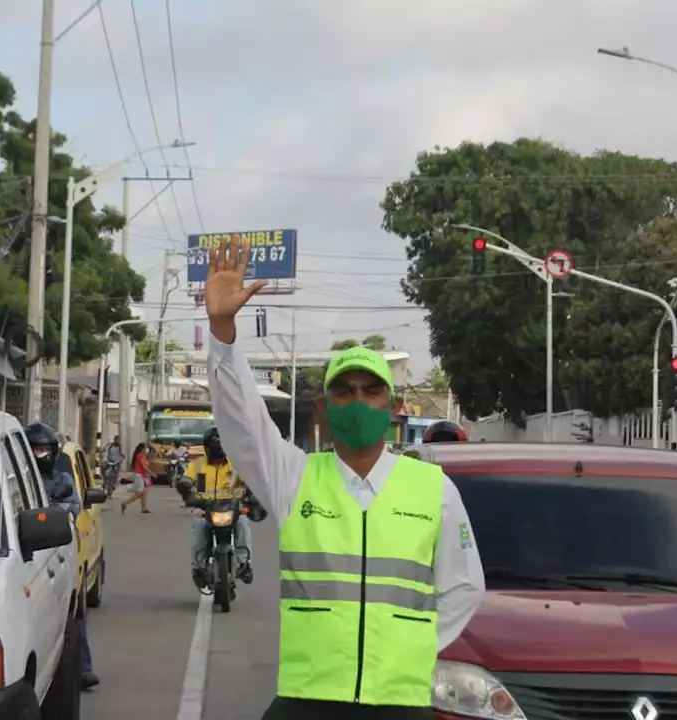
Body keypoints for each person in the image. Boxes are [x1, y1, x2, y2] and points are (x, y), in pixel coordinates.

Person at [204, 239, 485, 719]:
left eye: (372, 391)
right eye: (345, 391)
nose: (359, 402)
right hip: (307, 700)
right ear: (324, 409)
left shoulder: (433, 489)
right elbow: (242, 425)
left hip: (399, 703)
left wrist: (407, 651)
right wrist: (223, 331)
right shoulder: (294, 476)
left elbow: (464, 588)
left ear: (393, 408)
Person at [23, 423, 100, 692]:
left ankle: (83, 668)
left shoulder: (63, 481)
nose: (39, 454)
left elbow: (72, 509)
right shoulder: (19, 479)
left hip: (59, 554)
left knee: (74, 615)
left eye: (44, 449)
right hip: (26, 556)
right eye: (34, 449)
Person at [182, 427, 253, 589]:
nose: (217, 452)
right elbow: (186, 479)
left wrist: (253, 495)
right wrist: (185, 488)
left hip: (232, 509)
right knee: (198, 526)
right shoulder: (197, 465)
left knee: (243, 523)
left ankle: (244, 563)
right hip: (204, 509)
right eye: (214, 448)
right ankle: (198, 567)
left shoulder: (236, 465)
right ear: (207, 448)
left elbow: (250, 481)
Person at [120, 442, 152, 514]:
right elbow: (144, 467)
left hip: (143, 476)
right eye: (145, 448)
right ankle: (125, 503)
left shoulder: (144, 456)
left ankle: (144, 508)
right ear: (142, 449)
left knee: (144, 492)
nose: (147, 449)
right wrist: (152, 473)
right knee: (139, 493)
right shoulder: (140, 456)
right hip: (139, 476)